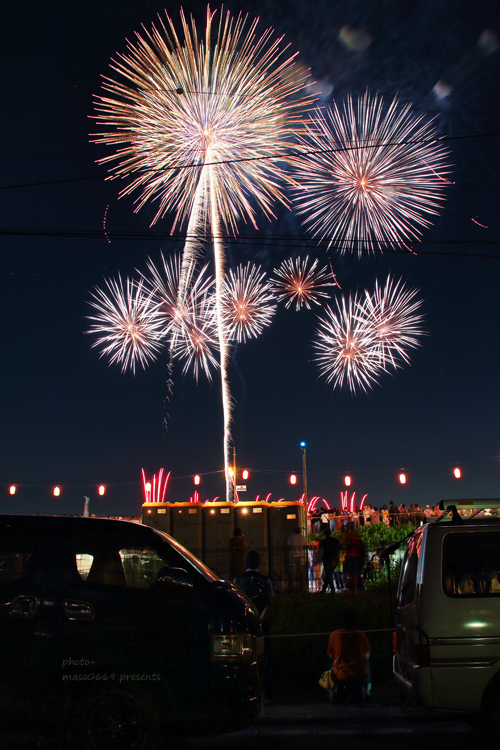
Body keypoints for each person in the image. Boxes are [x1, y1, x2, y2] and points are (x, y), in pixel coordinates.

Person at [234, 549, 274, 702]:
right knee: (266, 657)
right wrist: (259, 621)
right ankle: (267, 691)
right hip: (262, 627)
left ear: (246, 562)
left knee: (243, 658)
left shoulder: (238, 580)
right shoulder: (266, 580)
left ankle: (243, 690)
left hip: (244, 626)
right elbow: (269, 605)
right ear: (259, 562)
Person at [327, 608, 371, 704]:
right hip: (359, 674)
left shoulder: (334, 635)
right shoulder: (361, 635)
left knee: (331, 663)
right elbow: (367, 656)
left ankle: (332, 693)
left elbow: (330, 656)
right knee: (367, 663)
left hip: (341, 675)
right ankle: (367, 691)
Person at [343, 529, 365, 594]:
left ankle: (349, 588)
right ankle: (355, 589)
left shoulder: (349, 541)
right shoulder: (358, 542)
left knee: (348, 573)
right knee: (355, 574)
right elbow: (362, 551)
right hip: (356, 557)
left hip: (349, 557)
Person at [286, 527, 308, 592]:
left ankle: (291, 590)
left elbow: (288, 546)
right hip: (301, 556)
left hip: (292, 556)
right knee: (302, 573)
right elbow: (305, 546)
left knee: (292, 573)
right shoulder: (303, 537)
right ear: (300, 531)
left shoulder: (291, 537)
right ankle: (302, 589)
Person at [320, 528, 340, 593]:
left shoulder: (324, 542)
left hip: (326, 559)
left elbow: (321, 549)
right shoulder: (335, 541)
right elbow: (338, 548)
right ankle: (329, 589)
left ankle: (328, 589)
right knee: (329, 574)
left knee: (329, 574)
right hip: (334, 558)